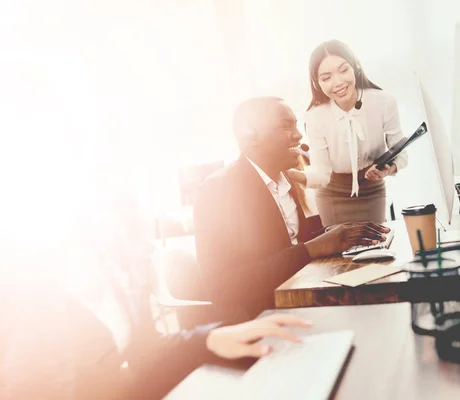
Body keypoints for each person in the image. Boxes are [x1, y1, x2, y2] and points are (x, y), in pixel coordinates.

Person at [0, 177, 313, 400]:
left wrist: (209, 340)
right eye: (129, 230)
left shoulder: (120, 279)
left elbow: (141, 354)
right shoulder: (25, 295)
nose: (146, 248)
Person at [190, 97, 390, 322]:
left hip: (300, 297)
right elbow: (224, 288)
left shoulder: (283, 179)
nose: (298, 135)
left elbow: (288, 244)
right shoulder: (218, 191)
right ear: (251, 136)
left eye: (295, 125)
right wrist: (312, 249)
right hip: (260, 320)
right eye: (286, 126)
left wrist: (337, 234)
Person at [286, 39, 409, 226]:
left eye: (343, 70)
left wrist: (387, 169)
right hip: (332, 194)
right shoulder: (315, 116)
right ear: (317, 83)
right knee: (339, 254)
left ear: (355, 67)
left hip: (372, 190)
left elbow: (401, 154)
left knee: (376, 248)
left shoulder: (383, 102)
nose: (338, 83)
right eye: (326, 78)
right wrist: (290, 174)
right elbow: (322, 175)